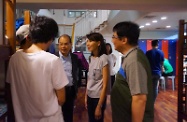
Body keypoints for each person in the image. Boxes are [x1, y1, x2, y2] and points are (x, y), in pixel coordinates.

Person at [6, 16, 69, 122]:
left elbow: (11, 87)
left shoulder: (14, 59)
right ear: (51, 38)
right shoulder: (52, 60)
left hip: (22, 117)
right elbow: (61, 99)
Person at [110, 21, 154, 122]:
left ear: (124, 40)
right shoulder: (131, 57)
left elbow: (139, 99)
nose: (112, 40)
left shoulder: (134, 61)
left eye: (114, 37)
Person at [55, 34, 81, 122]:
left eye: (66, 44)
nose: (63, 46)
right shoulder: (53, 57)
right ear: (58, 45)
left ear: (70, 45)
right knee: (56, 115)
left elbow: (77, 73)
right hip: (56, 92)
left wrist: (76, 88)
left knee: (68, 115)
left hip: (70, 90)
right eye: (61, 44)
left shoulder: (75, 58)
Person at [85, 32, 109, 122]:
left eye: (90, 41)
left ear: (98, 43)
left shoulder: (104, 58)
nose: (88, 43)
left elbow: (105, 85)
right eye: (87, 41)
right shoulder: (91, 58)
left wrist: (99, 106)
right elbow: (90, 79)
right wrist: (85, 96)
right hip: (89, 95)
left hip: (98, 98)